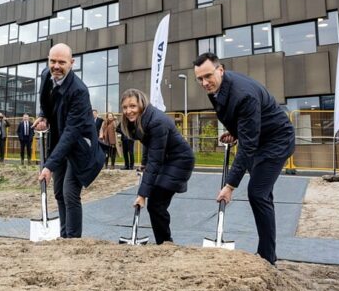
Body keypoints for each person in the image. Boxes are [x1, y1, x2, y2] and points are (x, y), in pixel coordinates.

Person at [193, 52, 295, 265]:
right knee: (262, 194)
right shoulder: (217, 88)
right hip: (259, 138)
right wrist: (237, 132)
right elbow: (241, 121)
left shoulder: (243, 94)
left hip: (276, 141)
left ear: (220, 70)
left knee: (257, 193)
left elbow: (248, 145)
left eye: (208, 76)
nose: (204, 82)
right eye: (200, 79)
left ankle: (267, 259)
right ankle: (268, 255)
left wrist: (230, 186)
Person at [32, 43, 105, 238]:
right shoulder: (46, 74)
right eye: (52, 61)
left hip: (79, 145)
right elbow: (45, 101)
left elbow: (72, 133)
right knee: (58, 192)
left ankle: (73, 240)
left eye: (61, 62)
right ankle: (64, 235)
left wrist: (48, 166)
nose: (56, 66)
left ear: (72, 63)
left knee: (70, 193)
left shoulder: (79, 91)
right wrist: (44, 116)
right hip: (60, 140)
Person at [120, 89, 195, 245]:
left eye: (133, 106)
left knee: (156, 202)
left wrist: (142, 195)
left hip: (179, 161)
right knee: (156, 203)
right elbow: (149, 144)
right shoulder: (144, 120)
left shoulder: (157, 121)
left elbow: (156, 161)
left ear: (142, 104)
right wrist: (144, 163)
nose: (128, 111)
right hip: (167, 159)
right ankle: (164, 242)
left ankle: (165, 243)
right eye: (125, 107)